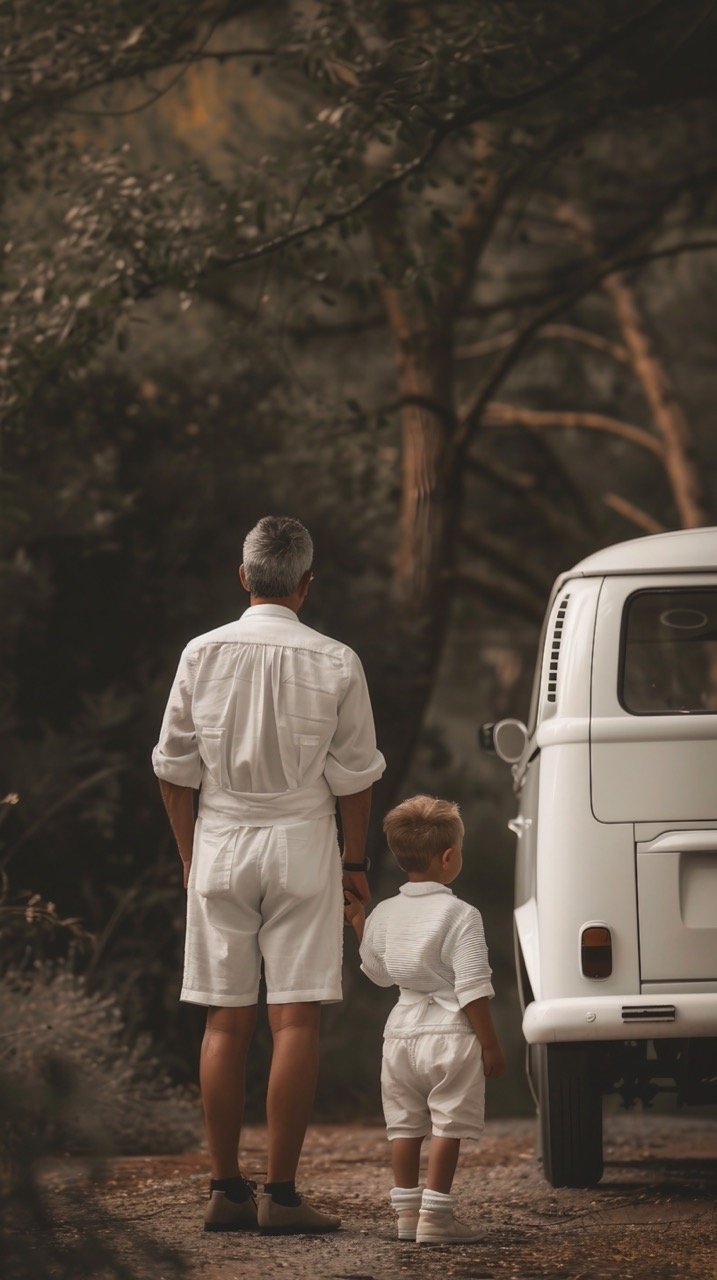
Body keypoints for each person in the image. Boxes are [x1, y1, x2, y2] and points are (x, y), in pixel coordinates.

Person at [152, 516, 385, 1235]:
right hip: (302, 846)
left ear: (243, 575)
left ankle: (225, 1190)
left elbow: (172, 768)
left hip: (220, 839)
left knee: (225, 1020)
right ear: (306, 585)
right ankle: (281, 1199)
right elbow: (354, 778)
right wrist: (353, 863)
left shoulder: (200, 652)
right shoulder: (336, 660)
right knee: (295, 1019)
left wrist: (191, 854)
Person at [344, 794, 505, 1245]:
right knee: (446, 1124)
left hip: (400, 1032)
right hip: (451, 1032)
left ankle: (406, 1216)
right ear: (449, 857)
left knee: (405, 1123)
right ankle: (436, 1218)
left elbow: (377, 973)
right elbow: (472, 985)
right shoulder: (461, 915)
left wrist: (359, 922)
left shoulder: (385, 914)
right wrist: (490, 1043)